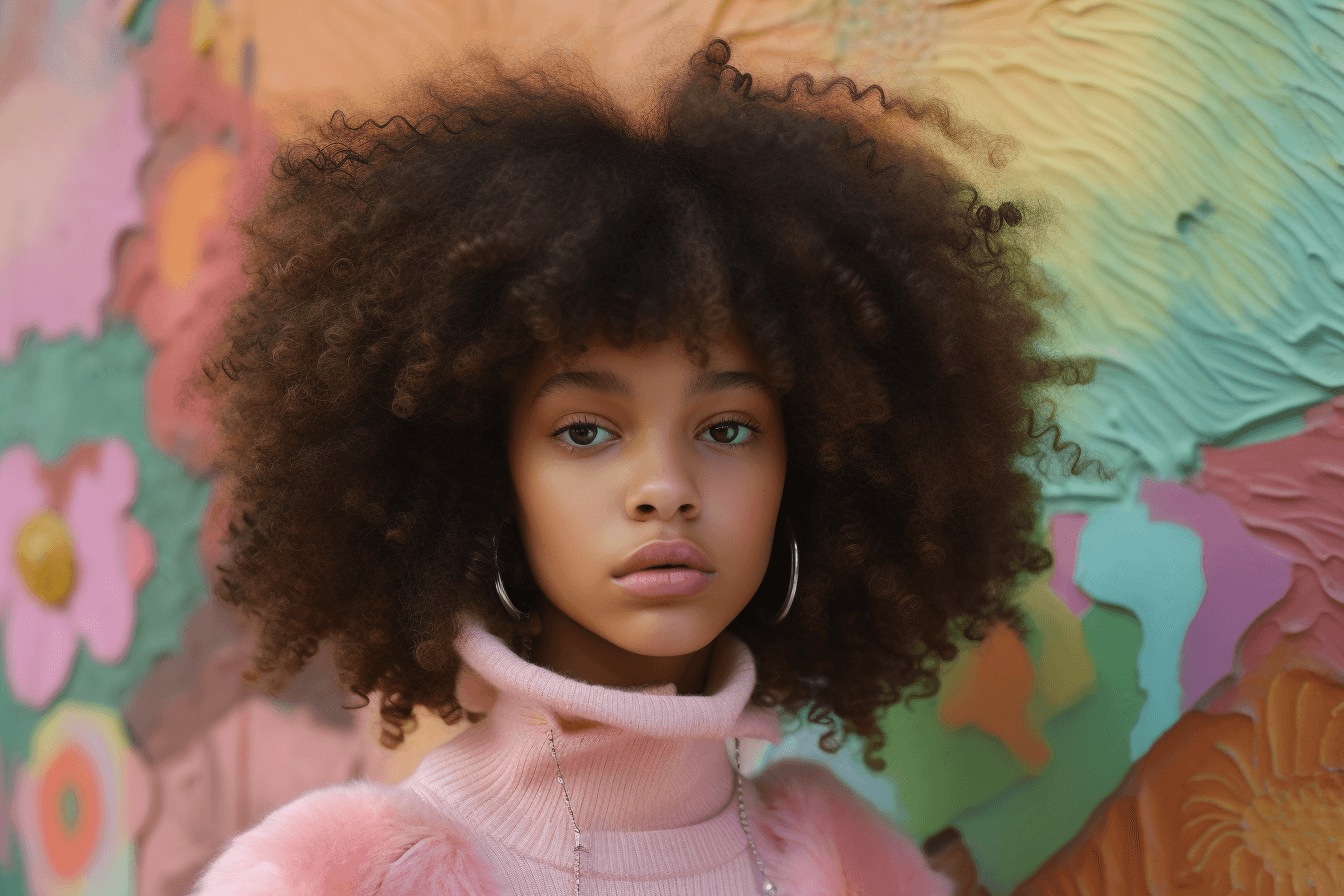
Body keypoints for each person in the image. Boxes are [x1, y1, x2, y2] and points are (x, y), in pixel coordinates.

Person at [190, 37, 1092, 895]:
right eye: (585, 432)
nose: (667, 488)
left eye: (729, 429)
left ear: (810, 475)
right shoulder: (335, 878)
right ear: (484, 479)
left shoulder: (850, 866)